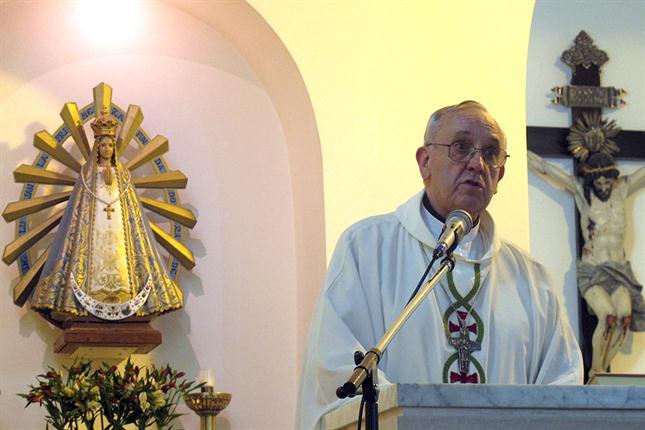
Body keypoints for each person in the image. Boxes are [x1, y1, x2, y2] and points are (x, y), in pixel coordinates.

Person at [297, 101, 583, 429]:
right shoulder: (366, 249)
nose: (477, 163)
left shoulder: (532, 279)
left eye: (490, 153)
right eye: (461, 147)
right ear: (425, 161)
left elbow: (563, 388)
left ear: (499, 175)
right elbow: (336, 368)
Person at [31, 109, 183, 324]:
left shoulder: (123, 176)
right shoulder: (87, 175)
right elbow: (79, 211)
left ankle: (131, 299)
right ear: (97, 147)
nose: (107, 149)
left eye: (111, 145)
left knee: (123, 255)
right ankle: (79, 304)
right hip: (92, 234)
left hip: (120, 233)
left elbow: (132, 213)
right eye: (103, 144)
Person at [528, 149, 645, 378]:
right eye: (598, 182)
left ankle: (605, 370)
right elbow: (546, 169)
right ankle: (596, 370)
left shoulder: (622, 189)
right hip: (592, 270)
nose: (602, 186)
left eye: (606, 181)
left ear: (613, 178)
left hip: (619, 270)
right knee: (608, 317)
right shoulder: (582, 192)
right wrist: (520, 150)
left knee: (624, 318)